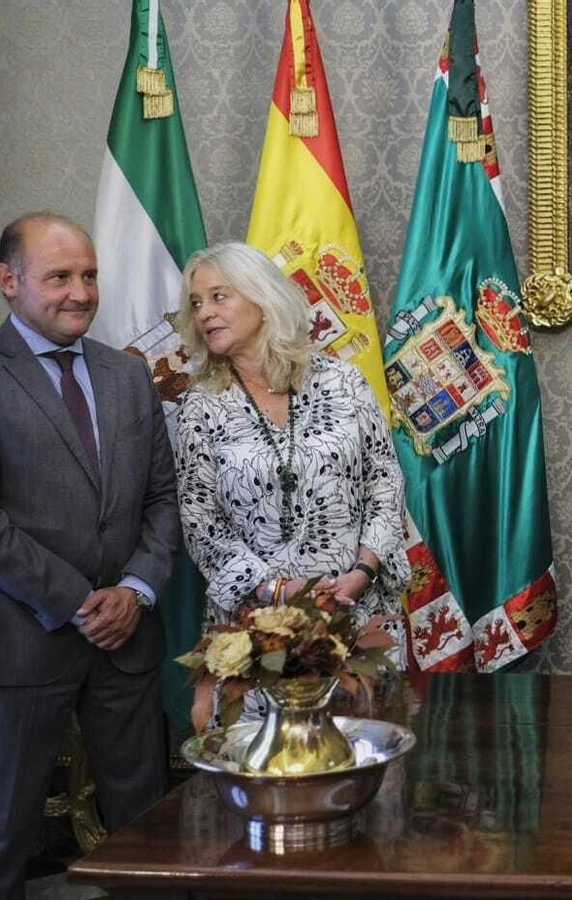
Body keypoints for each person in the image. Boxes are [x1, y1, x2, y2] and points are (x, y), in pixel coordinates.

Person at [0, 213, 180, 899]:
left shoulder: (128, 376)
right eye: (59, 276)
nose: (81, 292)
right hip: (15, 644)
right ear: (8, 281)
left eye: (89, 275)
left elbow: (163, 502)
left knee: (144, 840)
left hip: (127, 641)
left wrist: (136, 593)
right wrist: (77, 603)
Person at [173, 242, 410, 716]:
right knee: (265, 769)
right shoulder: (199, 406)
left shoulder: (345, 383)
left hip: (353, 614)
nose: (205, 314)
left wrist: (361, 573)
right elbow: (201, 524)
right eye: (196, 303)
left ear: (263, 298)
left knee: (359, 760)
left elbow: (385, 484)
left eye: (220, 297)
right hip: (258, 630)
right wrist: (280, 594)